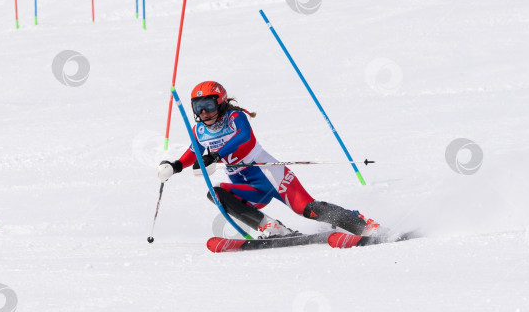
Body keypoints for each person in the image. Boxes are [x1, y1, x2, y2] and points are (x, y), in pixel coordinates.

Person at [157, 82, 381, 239]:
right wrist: (176, 166)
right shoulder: (199, 130)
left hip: (271, 175)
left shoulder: (235, 117)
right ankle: (271, 227)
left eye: (209, 105)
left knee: (308, 209)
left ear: (221, 102)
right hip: (249, 186)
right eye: (198, 106)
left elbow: (243, 137)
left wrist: (215, 155)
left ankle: (362, 224)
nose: (204, 112)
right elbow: (193, 152)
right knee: (215, 192)